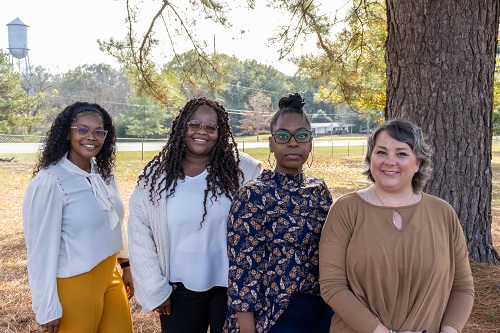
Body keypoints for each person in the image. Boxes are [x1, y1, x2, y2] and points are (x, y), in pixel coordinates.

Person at [319, 118, 475, 333]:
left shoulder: (443, 213)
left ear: (418, 162)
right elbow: (332, 286)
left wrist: (450, 331)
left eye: (401, 153)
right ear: (370, 158)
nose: (389, 161)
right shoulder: (345, 210)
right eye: (381, 152)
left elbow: (462, 287)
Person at [127, 97, 262, 333]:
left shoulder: (244, 171)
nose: (202, 132)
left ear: (221, 133)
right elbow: (140, 236)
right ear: (182, 128)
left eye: (211, 127)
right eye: (194, 124)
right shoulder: (154, 178)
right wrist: (155, 290)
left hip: (232, 290)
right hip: (178, 291)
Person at [224, 92, 333, 333]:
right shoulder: (252, 196)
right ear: (271, 143)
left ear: (310, 142)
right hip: (271, 318)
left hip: (320, 313)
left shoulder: (319, 191)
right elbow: (243, 271)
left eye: (301, 135)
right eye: (283, 136)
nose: (293, 143)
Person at [22, 102, 134, 333]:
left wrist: (127, 264)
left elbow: (114, 222)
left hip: (110, 276)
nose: (90, 137)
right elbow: (40, 250)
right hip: (75, 282)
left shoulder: (103, 174)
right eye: (82, 129)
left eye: (98, 131)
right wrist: (47, 306)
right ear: (67, 133)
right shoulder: (52, 181)